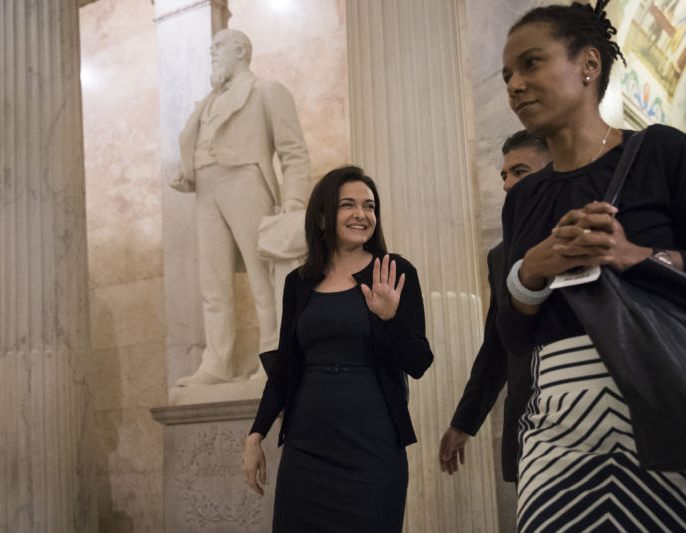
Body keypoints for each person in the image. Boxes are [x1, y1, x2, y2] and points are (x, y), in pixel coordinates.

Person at [499, 1, 686, 531]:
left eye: (531, 64)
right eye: (508, 74)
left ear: (588, 64)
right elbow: (513, 334)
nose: (514, 84)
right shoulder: (524, 198)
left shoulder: (661, 152)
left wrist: (635, 256)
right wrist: (532, 270)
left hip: (657, 408)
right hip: (556, 428)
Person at [242, 166, 434, 532]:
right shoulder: (297, 283)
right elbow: (284, 369)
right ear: (321, 217)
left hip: (372, 446)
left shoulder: (394, 271)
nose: (361, 215)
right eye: (348, 205)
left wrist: (389, 318)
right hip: (306, 447)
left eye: (370, 206)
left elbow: (419, 362)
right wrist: (256, 435)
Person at [172, 28, 311, 386]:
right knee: (213, 282)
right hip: (206, 188)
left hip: (247, 182)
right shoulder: (207, 102)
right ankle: (217, 361)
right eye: (212, 47)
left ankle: (272, 358)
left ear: (241, 51)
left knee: (262, 278)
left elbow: (294, 152)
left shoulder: (266, 91)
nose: (212, 52)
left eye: (219, 47)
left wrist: (294, 202)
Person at [439, 131, 550, 483]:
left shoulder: (586, 232)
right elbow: (497, 346)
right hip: (530, 427)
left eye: (520, 171)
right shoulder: (500, 256)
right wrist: (464, 422)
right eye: (504, 175)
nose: (507, 184)